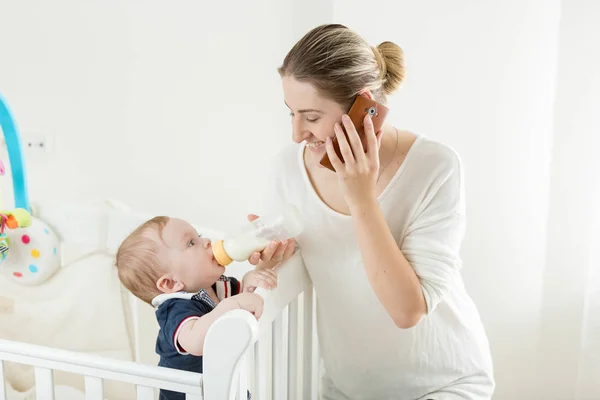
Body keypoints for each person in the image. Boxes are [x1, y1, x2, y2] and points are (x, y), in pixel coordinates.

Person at [250, 24, 495, 399]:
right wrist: (268, 260)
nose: (298, 134)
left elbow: (406, 311)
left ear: (365, 108)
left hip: (445, 383)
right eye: (292, 114)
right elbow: (284, 265)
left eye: (312, 117)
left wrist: (361, 197)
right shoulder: (288, 169)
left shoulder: (436, 166)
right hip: (347, 388)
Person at [114, 216, 284, 400]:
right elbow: (194, 341)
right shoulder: (174, 308)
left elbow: (243, 298)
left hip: (224, 388)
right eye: (191, 243)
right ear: (171, 283)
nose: (206, 241)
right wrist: (230, 305)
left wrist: (253, 279)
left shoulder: (212, 286)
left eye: (199, 235)